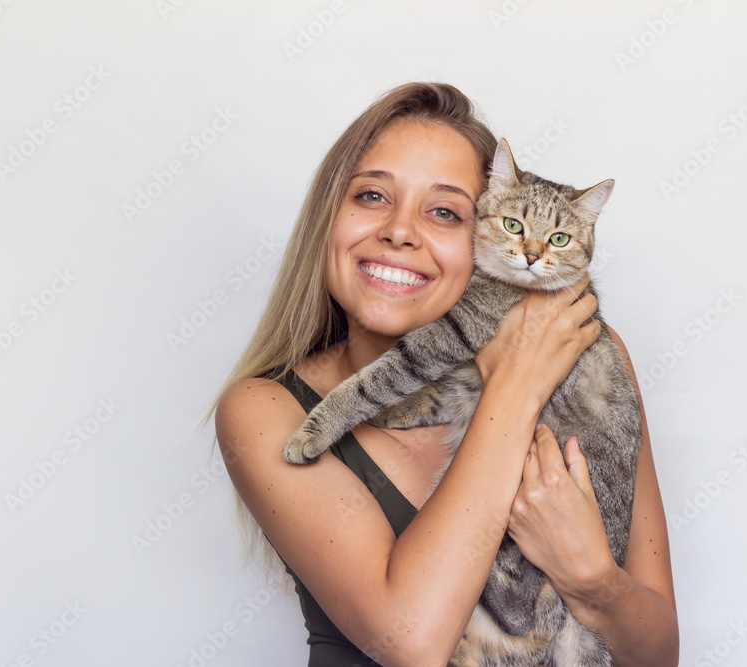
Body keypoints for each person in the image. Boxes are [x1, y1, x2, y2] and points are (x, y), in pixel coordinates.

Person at [204, 82, 679, 667]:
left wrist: (592, 580)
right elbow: (415, 644)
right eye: (372, 196)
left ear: (474, 233)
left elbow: (658, 656)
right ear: (326, 217)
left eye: (444, 211)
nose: (400, 231)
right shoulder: (264, 409)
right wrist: (517, 381)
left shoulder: (591, 353)